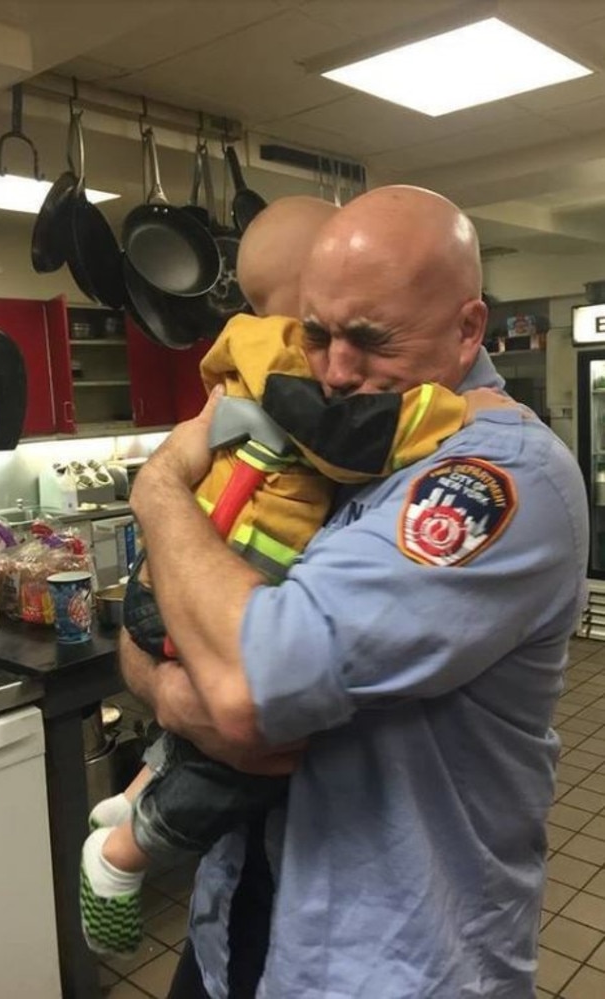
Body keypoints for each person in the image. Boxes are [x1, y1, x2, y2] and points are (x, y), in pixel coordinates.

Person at [122, 185, 589, 999]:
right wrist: (168, 690)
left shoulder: (494, 476)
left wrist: (160, 487)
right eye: (316, 334)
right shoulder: (337, 440)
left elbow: (247, 684)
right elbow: (150, 619)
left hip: (388, 959)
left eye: (370, 339)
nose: (333, 373)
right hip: (235, 915)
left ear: (468, 328)